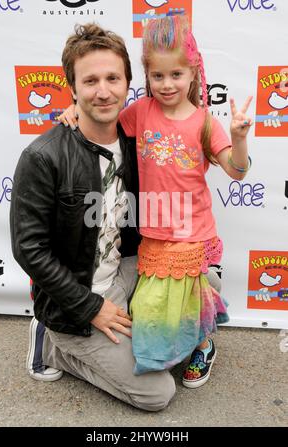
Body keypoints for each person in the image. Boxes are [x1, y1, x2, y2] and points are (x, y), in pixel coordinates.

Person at [59, 15, 253, 388]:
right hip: (153, 234)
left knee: (188, 304)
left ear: (193, 73)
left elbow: (236, 170)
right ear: (146, 75)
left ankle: (203, 346)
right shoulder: (140, 113)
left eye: (176, 75)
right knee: (152, 310)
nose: (167, 85)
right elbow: (103, 123)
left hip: (192, 234)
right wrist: (75, 110)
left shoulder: (204, 122)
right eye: (158, 76)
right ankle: (169, 354)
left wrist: (239, 137)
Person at [10, 22, 176, 411]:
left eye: (113, 78)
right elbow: (29, 249)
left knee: (204, 284)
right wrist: (91, 308)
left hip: (124, 272)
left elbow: (186, 104)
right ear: (72, 88)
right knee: (157, 393)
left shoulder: (140, 140)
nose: (103, 91)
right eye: (90, 81)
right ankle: (52, 345)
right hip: (76, 299)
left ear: (129, 83)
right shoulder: (43, 157)